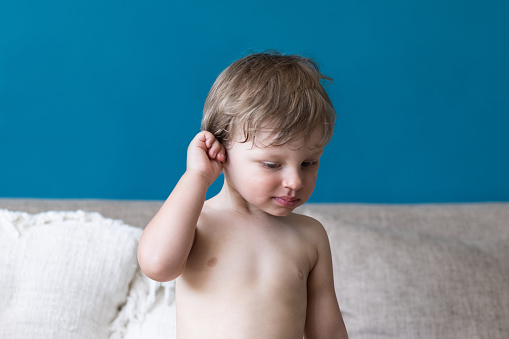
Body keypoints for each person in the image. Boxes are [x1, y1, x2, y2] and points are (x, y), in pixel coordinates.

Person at [137, 51, 349, 339]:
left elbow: (329, 331)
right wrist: (196, 177)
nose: (295, 181)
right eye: (272, 164)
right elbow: (157, 265)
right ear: (221, 149)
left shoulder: (310, 236)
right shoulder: (198, 221)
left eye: (308, 163)